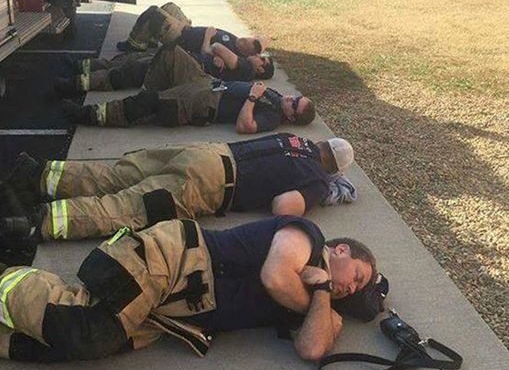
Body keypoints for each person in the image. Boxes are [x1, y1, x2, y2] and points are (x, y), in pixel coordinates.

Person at [0, 214, 386, 362]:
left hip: (176, 313)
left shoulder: (318, 301)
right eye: (358, 275)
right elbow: (275, 275)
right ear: (341, 250)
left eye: (356, 291)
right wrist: (312, 291)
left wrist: (320, 293)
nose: (351, 287)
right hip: (173, 260)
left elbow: (312, 347)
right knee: (90, 332)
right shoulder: (306, 236)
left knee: (57, 348)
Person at [0, 132, 354, 243]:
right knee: (129, 207)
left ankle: (39, 175)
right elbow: (283, 208)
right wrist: (318, 197)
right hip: (210, 184)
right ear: (335, 170)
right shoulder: (318, 179)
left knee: (121, 174)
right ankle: (37, 223)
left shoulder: (295, 140)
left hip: (205, 152)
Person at [61, 45, 313, 133]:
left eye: (295, 104)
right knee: (170, 52)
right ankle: (85, 80)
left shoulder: (272, 117)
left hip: (204, 103)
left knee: (149, 103)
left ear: (291, 116)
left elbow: (244, 126)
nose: (291, 98)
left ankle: (87, 114)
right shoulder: (279, 98)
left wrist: (251, 97)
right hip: (207, 81)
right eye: (297, 97)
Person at [54, 32, 274, 96]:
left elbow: (215, 48)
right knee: (130, 61)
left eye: (261, 58)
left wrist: (217, 51)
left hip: (181, 67)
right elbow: (212, 50)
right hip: (186, 60)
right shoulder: (241, 65)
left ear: (261, 68)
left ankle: (74, 84)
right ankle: (80, 66)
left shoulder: (246, 70)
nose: (258, 56)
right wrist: (214, 52)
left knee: (132, 71)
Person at [115, 1, 269, 57]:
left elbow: (206, 53)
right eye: (251, 38)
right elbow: (261, 41)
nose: (247, 39)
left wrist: (208, 36)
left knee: (154, 13)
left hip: (181, 39)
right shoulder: (237, 41)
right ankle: (151, 39)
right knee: (170, 6)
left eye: (252, 43)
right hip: (188, 29)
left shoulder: (231, 52)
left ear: (251, 53)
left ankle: (135, 44)